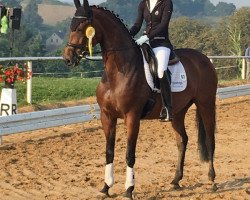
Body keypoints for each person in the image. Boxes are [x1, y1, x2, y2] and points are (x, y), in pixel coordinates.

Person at [129, 0, 173, 121]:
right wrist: (127, 34)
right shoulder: (143, 4)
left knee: (160, 70)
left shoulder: (166, 3)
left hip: (161, 42)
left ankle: (168, 108)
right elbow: (137, 24)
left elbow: (163, 24)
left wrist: (147, 36)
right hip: (146, 42)